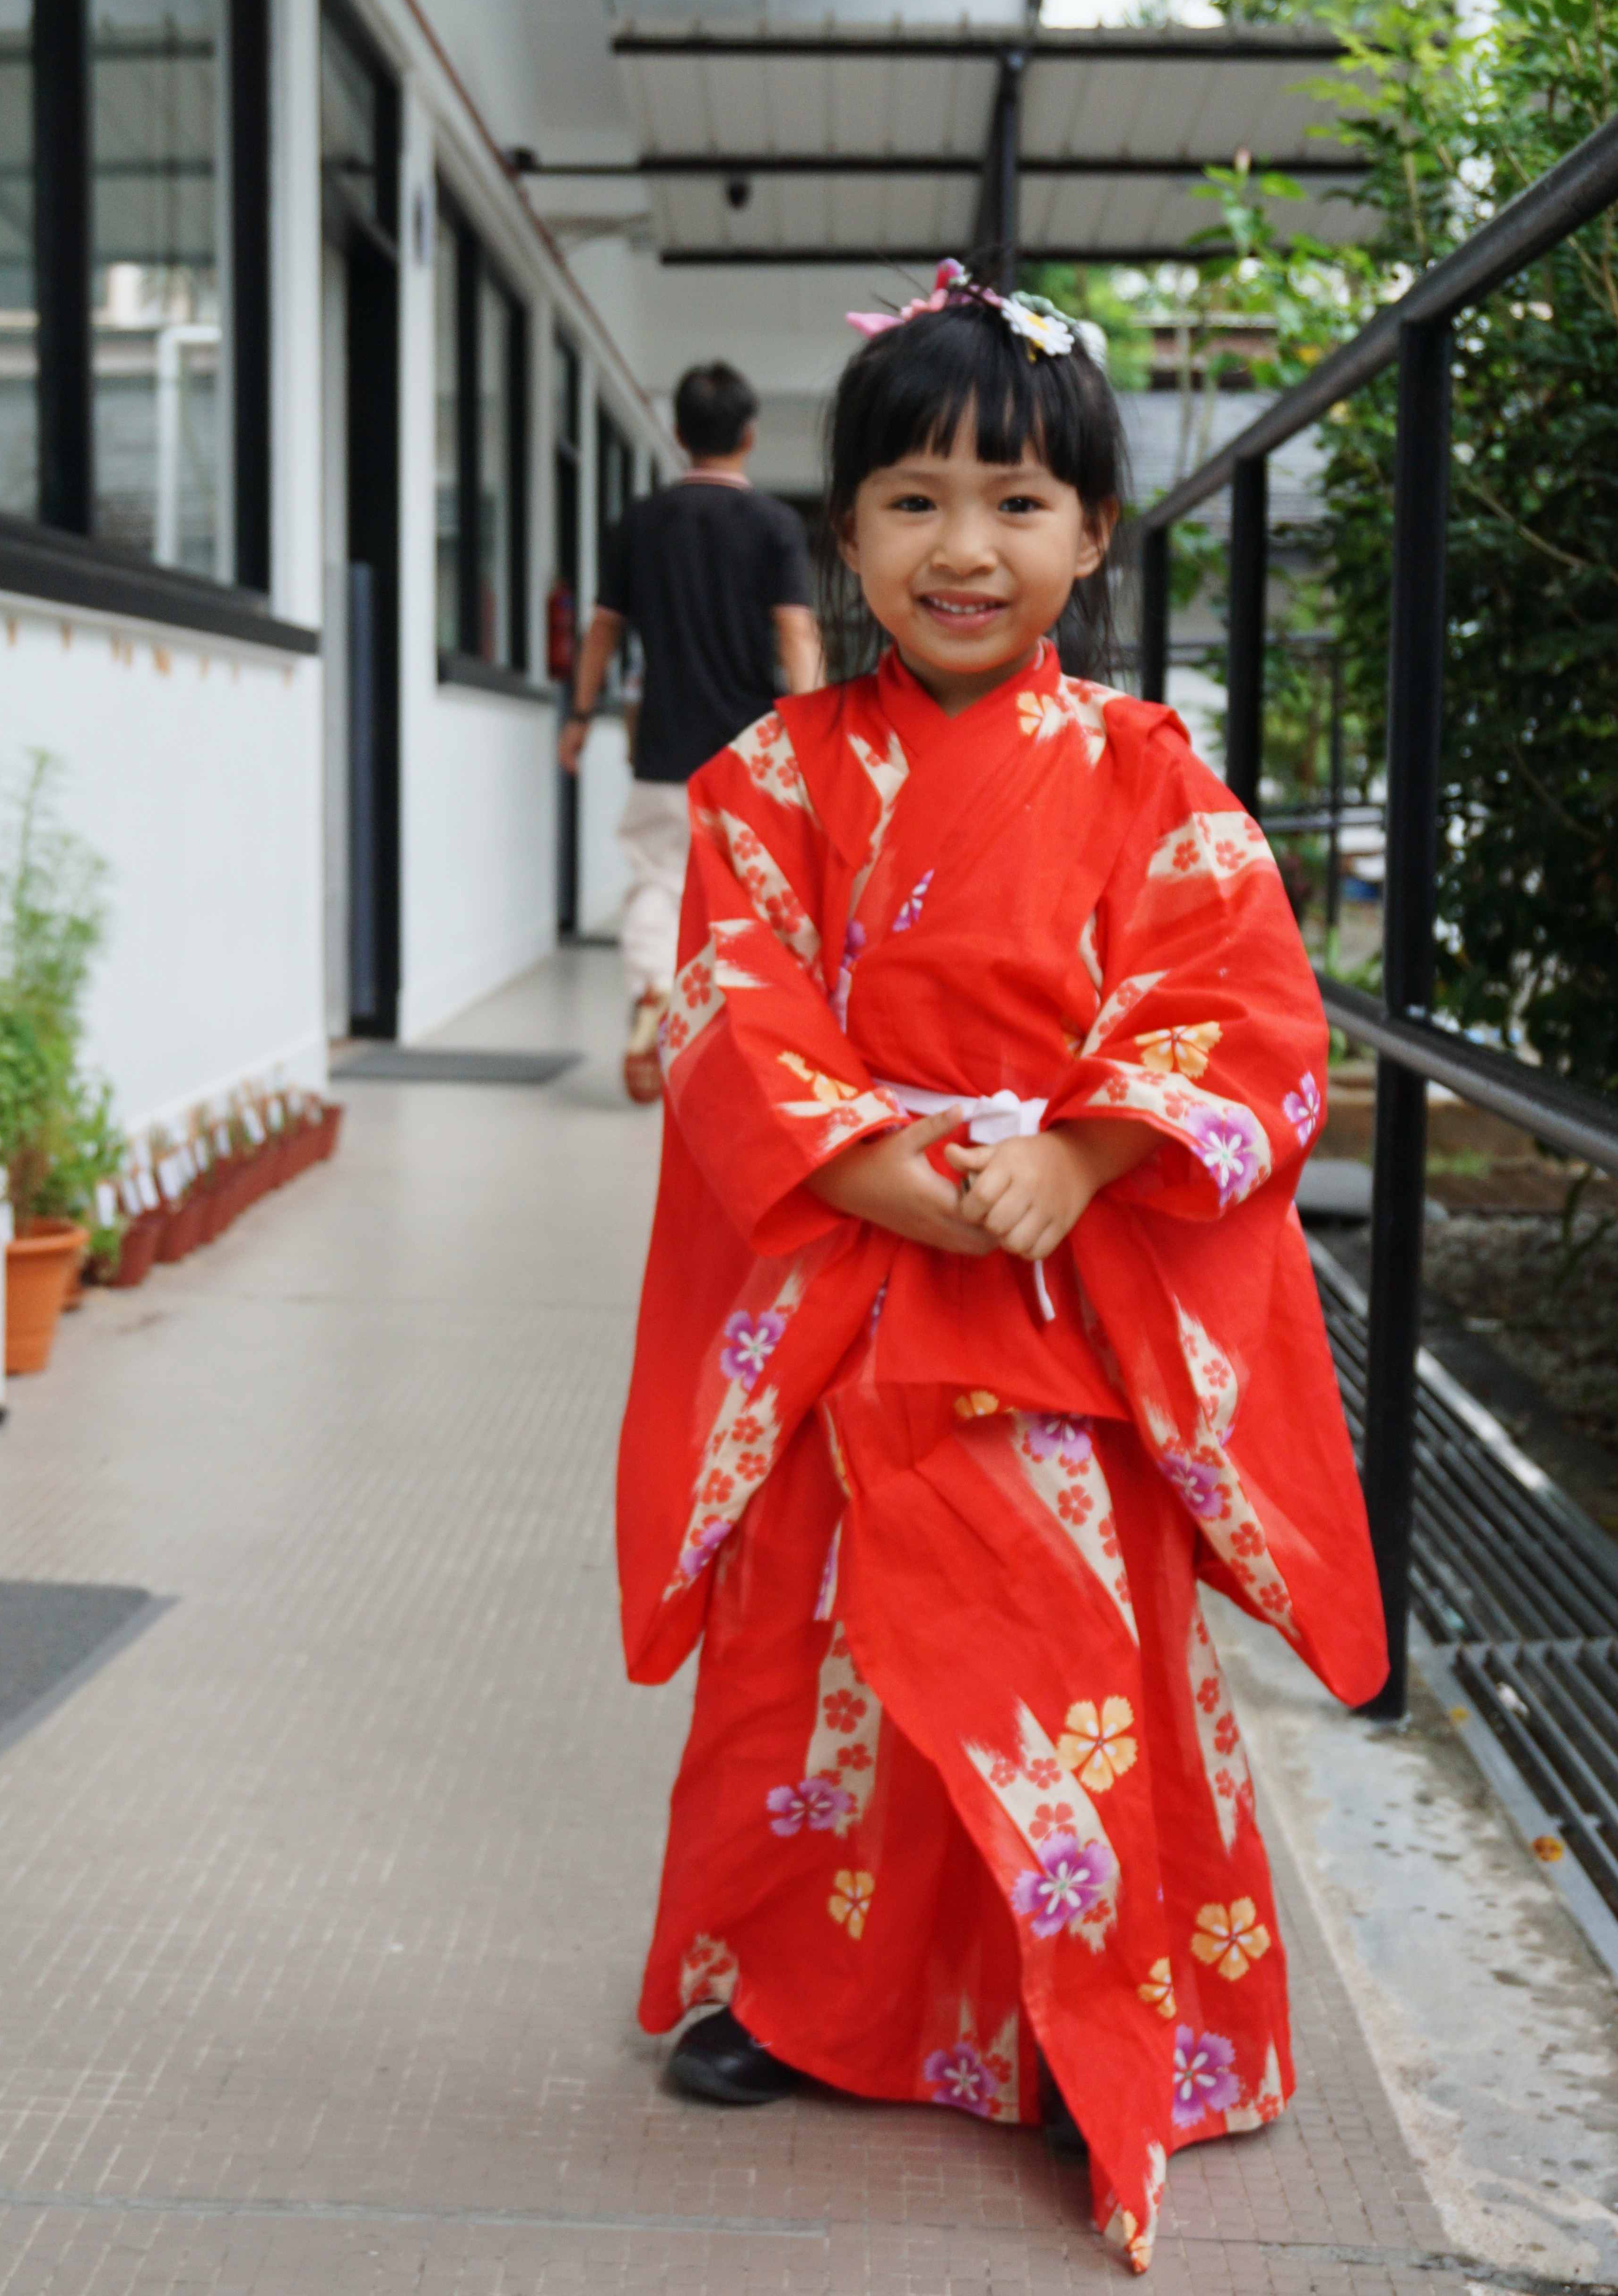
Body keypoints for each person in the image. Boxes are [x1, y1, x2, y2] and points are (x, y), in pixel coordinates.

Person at [611, 262, 1388, 2273]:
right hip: (856, 1266)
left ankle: (1075, 2007)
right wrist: (885, 1172)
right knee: (830, 1658)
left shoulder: (1146, 772)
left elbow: (1242, 1011)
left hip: (1058, 1284)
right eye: (914, 500)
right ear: (845, 527)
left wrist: (1082, 1149)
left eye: (1016, 502)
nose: (963, 547)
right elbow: (731, 1009)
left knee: (1062, 1663)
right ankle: (812, 1999)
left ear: (1091, 535)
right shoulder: (766, 781)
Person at [560, 361, 822, 1103]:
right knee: (754, 897)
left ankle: (654, 987)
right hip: (752, 751)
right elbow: (797, 633)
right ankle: (738, 1040)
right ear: (750, 435)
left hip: (665, 747)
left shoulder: (639, 524)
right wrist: (810, 729)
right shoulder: (774, 526)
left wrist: (579, 716)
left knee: (658, 879)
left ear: (678, 435)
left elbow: (603, 632)